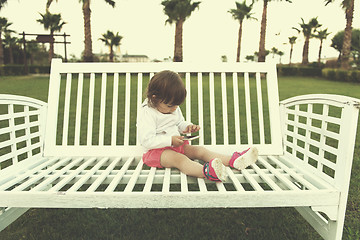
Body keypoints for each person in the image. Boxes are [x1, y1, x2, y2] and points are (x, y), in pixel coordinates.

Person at [137, 70, 258, 182]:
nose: (174, 109)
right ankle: (207, 172)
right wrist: (170, 140)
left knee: (200, 151)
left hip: (175, 145)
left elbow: (179, 123)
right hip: (155, 153)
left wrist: (187, 127)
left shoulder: (172, 107)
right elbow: (146, 140)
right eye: (170, 106)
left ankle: (234, 160)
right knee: (179, 159)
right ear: (155, 98)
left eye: (177, 105)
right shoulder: (147, 112)